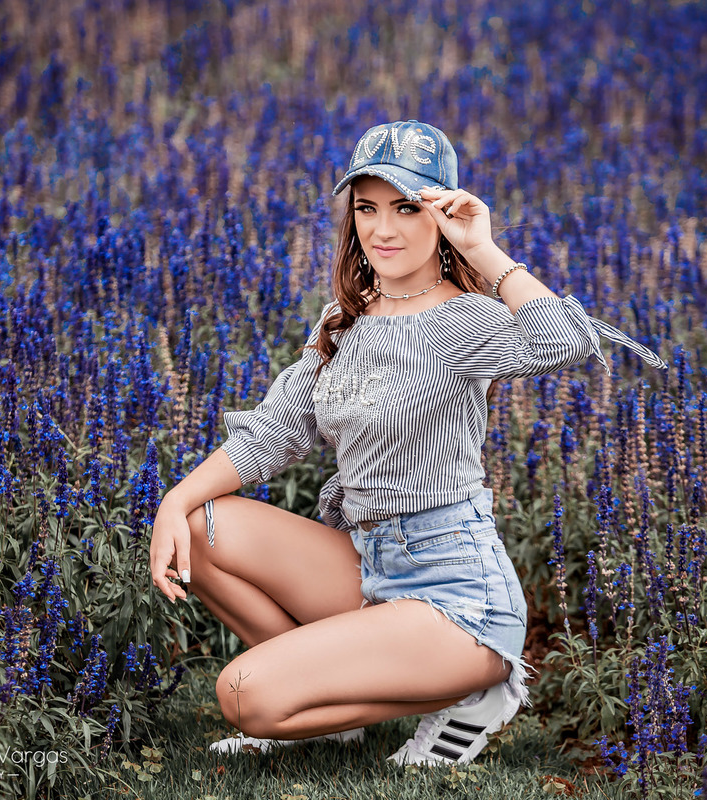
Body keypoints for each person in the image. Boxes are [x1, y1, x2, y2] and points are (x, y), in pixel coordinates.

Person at [148, 120, 666, 765]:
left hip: (457, 593)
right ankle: (323, 709)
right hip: (369, 564)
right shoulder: (344, 319)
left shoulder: (460, 320)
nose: (382, 229)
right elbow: (275, 431)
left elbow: (566, 339)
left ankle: (474, 690)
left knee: (242, 694)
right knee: (202, 527)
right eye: (366, 208)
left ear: (442, 213)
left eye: (406, 208)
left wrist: (484, 250)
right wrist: (174, 501)